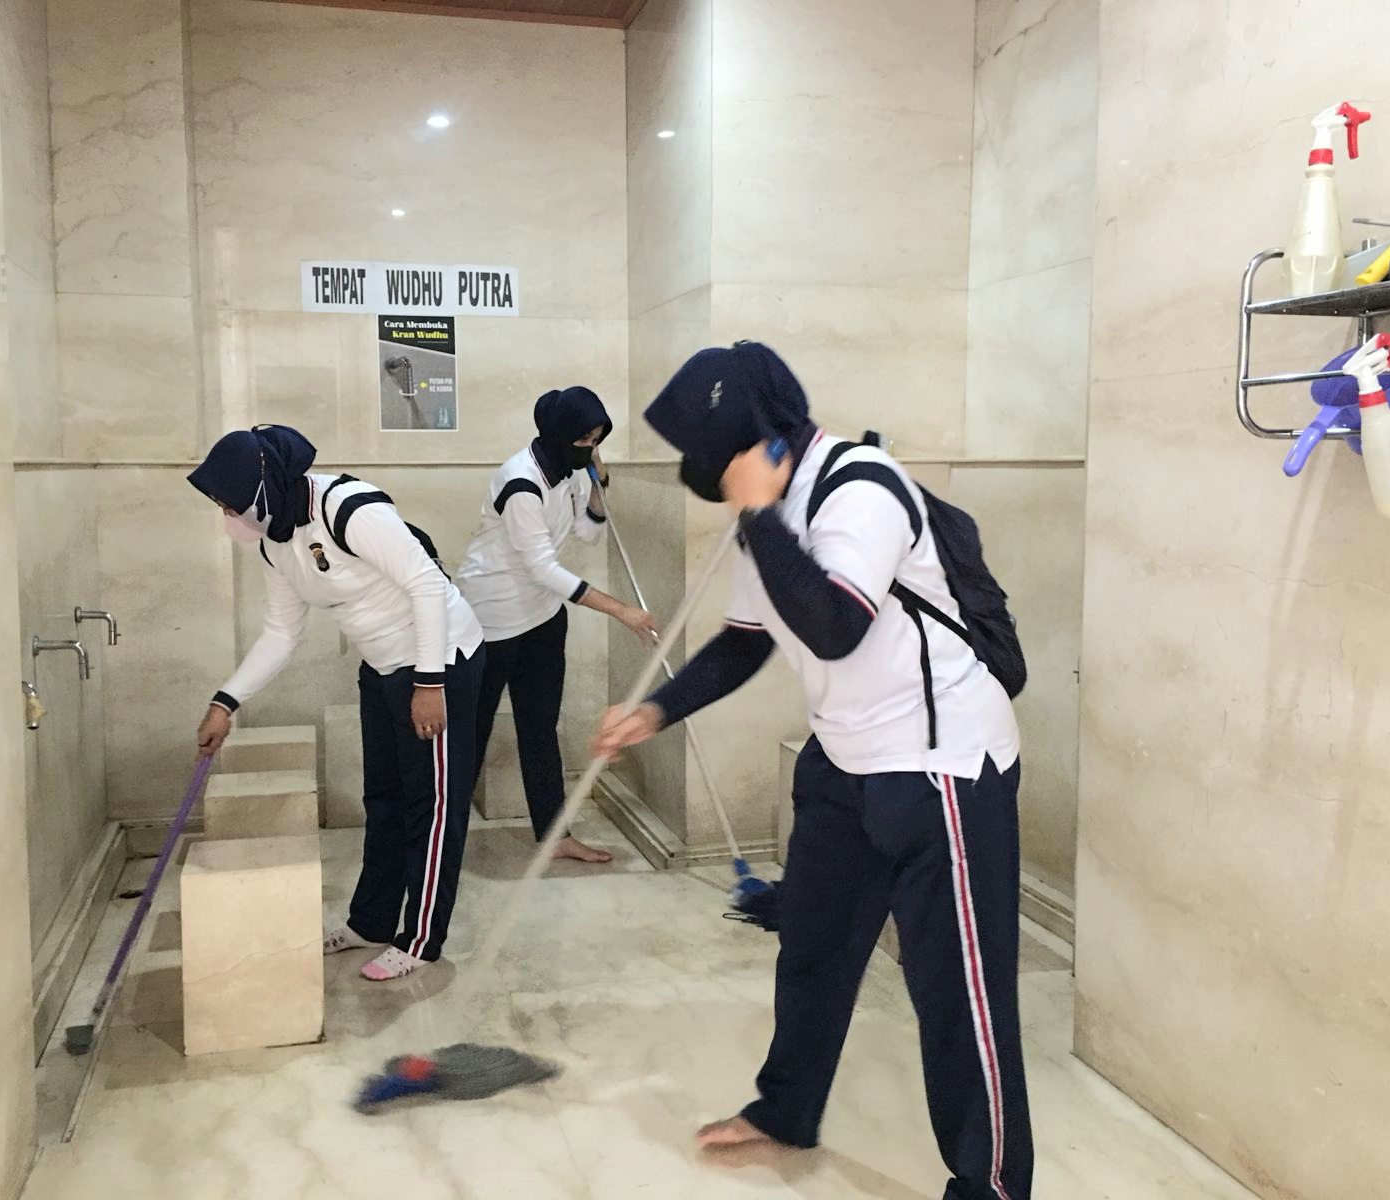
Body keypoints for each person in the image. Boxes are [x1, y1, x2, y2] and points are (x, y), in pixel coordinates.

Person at [593, 344, 1032, 1200]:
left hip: (939, 765)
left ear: (761, 441)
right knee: (814, 951)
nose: (708, 477)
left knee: (959, 995)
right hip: (844, 760)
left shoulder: (863, 489)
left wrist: (760, 515)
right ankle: (788, 1109)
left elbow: (834, 626)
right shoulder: (771, 509)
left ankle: (992, 1186)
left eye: (715, 458)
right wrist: (657, 710)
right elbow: (746, 641)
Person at [189, 424, 486, 983]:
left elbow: (426, 584)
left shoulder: (350, 508)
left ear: (263, 486)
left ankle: (421, 940)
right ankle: (371, 921)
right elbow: (281, 632)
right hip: (381, 667)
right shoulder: (276, 541)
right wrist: (226, 702)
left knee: (433, 805)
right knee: (384, 797)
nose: (226, 513)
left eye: (229, 501)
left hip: (440, 660)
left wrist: (430, 684)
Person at [456, 387, 657, 864]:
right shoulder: (520, 483)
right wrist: (622, 611)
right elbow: (542, 567)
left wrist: (599, 485)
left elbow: (588, 533)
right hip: (491, 621)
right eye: (584, 439)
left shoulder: (568, 472)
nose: (590, 447)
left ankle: (554, 834)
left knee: (541, 728)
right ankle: (442, 839)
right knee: (472, 733)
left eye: (597, 439)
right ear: (559, 435)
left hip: (542, 616)